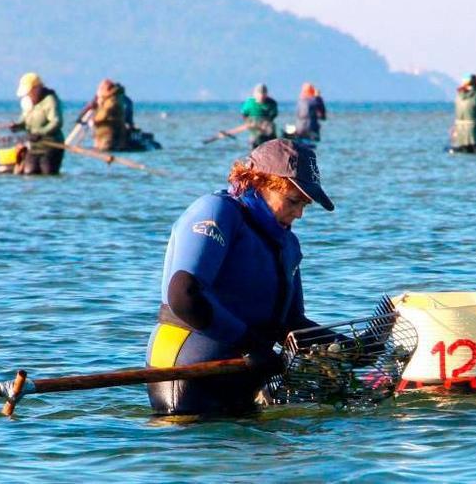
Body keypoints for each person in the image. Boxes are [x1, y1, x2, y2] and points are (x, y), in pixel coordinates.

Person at [146, 139, 336, 416]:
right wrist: (250, 345)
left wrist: (352, 346)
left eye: (305, 205)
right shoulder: (217, 212)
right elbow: (184, 295)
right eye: (293, 201)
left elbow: (291, 324)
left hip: (245, 374)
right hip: (186, 373)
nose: (299, 213)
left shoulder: (288, 244)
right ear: (261, 182)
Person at [9, 72, 65, 175]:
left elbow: (57, 122)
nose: (28, 95)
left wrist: (41, 132)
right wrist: (17, 126)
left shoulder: (50, 101)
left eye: (30, 92)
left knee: (47, 173)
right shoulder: (28, 102)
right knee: (29, 172)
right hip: (34, 145)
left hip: (51, 145)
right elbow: (24, 120)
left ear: (37, 88)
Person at [92, 79, 127, 151]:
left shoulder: (111, 101)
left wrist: (93, 118)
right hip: (106, 136)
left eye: (100, 88)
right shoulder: (113, 99)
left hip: (108, 138)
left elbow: (102, 116)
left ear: (106, 89)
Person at [241, 84, 278, 149]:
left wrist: (266, 123)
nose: (261, 96)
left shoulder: (272, 103)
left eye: (263, 93)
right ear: (255, 94)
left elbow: (273, 115)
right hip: (255, 131)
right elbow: (244, 114)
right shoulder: (250, 103)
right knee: (254, 146)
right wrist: (248, 122)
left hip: (268, 130)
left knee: (271, 147)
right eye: (259, 94)